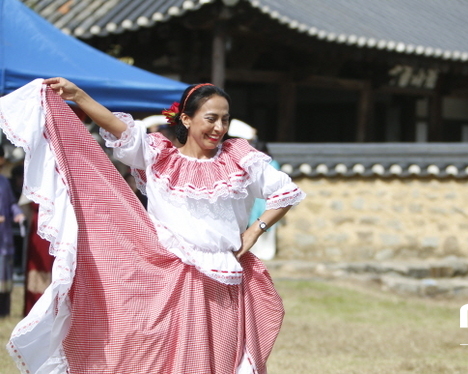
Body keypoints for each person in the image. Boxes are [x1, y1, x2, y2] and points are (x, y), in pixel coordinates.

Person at [2, 78, 305, 373]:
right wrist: (78, 95)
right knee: (159, 359)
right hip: (168, 279)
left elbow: (284, 192)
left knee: (221, 363)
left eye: (225, 119)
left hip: (222, 280)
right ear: (185, 119)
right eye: (211, 118)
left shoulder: (237, 158)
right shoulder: (160, 157)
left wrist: (254, 231)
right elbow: (118, 127)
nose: (219, 128)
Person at [0, 147, 25, 317]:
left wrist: (18, 213)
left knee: (4, 275)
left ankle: (4, 312)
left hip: (4, 239)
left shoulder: (4, 181)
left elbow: (11, 204)